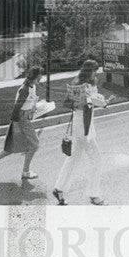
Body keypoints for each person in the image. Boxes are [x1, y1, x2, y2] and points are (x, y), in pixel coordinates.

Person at [53, 59, 114, 206]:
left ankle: (59, 188)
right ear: (89, 71)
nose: (96, 73)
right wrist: (102, 102)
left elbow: (93, 100)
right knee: (96, 158)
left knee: (73, 158)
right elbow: (68, 102)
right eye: (94, 71)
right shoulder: (80, 84)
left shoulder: (89, 83)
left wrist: (100, 100)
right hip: (82, 126)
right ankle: (94, 194)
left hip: (84, 124)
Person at [0, 67, 44, 182]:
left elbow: (28, 104)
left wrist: (33, 110)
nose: (40, 80)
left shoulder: (33, 87)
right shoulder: (25, 89)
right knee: (34, 145)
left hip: (25, 117)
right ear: (33, 77)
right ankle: (25, 172)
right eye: (38, 78)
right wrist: (16, 124)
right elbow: (17, 107)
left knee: (12, 147)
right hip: (20, 119)